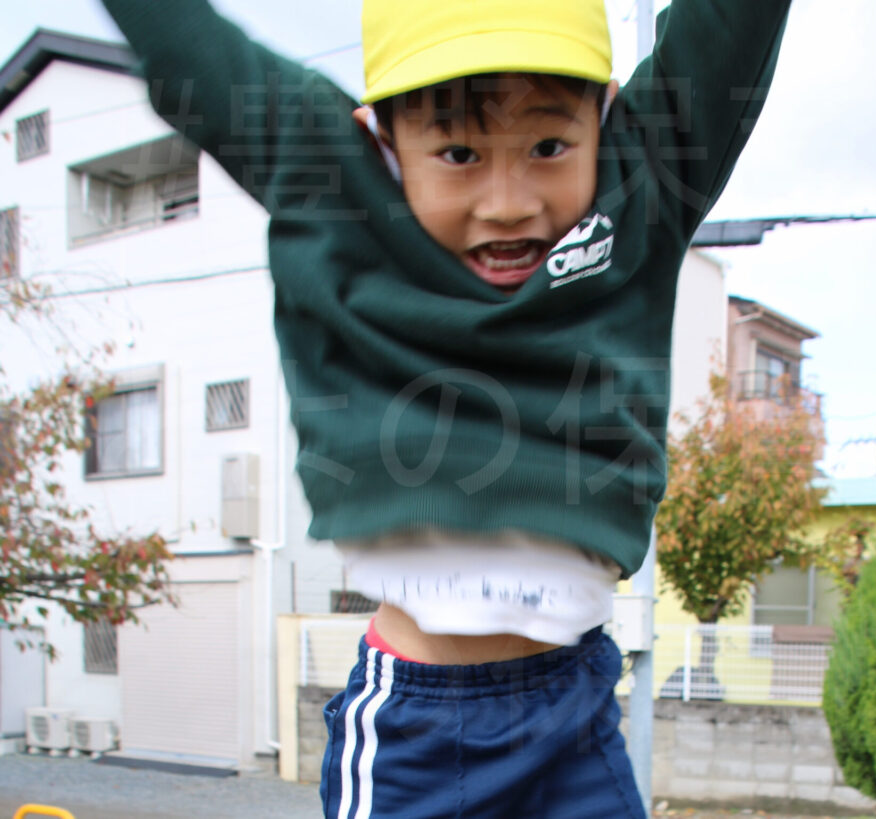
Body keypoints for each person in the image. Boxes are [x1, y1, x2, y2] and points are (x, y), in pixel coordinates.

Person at [98, 0, 791, 815]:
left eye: (548, 146)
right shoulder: (341, 191)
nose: (508, 201)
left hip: (572, 706)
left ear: (606, 120)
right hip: (418, 734)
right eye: (459, 153)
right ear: (382, 142)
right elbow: (192, 53)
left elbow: (730, 28)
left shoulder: (639, 186)